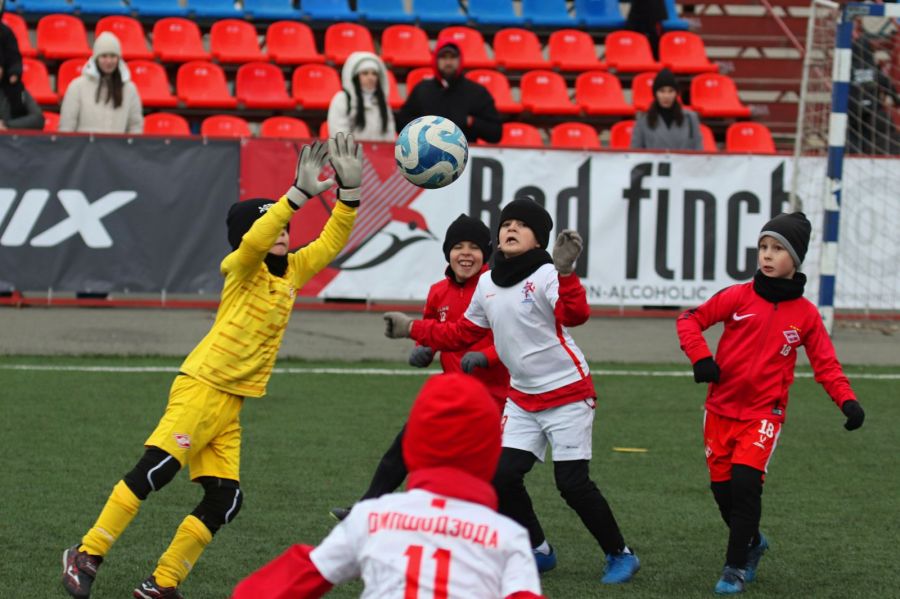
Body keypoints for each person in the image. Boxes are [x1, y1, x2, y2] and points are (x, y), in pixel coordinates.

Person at [61, 134, 363, 599]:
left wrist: (349, 196)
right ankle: (87, 553)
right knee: (156, 469)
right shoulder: (241, 266)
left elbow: (332, 239)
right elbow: (258, 237)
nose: (282, 231)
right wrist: (295, 197)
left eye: (285, 226)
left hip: (231, 401)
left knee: (226, 499)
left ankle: (162, 583)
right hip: (203, 385)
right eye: (272, 226)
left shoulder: (294, 271)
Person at [383, 199, 640, 584]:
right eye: (507, 224)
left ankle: (620, 553)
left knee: (572, 484)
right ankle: (540, 551)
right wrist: (411, 329)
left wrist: (567, 272)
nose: (510, 229)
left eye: (522, 224)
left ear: (539, 241)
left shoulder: (548, 274)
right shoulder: (487, 282)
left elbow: (576, 316)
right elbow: (461, 334)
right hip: (522, 398)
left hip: (567, 392)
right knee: (500, 476)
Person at [676, 212, 866, 595]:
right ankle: (754, 543)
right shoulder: (738, 296)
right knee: (723, 494)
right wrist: (701, 358)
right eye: (763, 246)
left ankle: (734, 568)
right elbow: (689, 320)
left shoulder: (807, 316)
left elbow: (826, 365)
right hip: (719, 412)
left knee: (747, 484)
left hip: (765, 414)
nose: (767, 255)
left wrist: (847, 401)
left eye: (777, 249)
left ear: (794, 259)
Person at [232, 373, 544, 599]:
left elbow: (291, 581)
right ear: (489, 450)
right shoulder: (507, 536)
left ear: (414, 444)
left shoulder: (372, 516)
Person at [329, 214, 510, 522]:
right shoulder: (438, 291)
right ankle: (365, 510)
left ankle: (521, 540)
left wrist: (487, 357)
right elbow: (432, 330)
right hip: (452, 395)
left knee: (494, 478)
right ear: (447, 252)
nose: (466, 253)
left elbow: (511, 339)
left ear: (487, 253)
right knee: (402, 449)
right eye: (458, 247)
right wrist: (423, 351)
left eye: (474, 248)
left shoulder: (496, 288)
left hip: (494, 400)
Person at [396, 38, 502, 144]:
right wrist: (422, 124)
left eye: (453, 57)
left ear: (460, 60)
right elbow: (401, 123)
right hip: (427, 153)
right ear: (435, 60)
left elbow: (496, 133)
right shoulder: (422, 89)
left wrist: (470, 121)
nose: (448, 62)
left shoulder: (477, 92)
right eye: (443, 57)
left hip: (465, 154)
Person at [59, 32, 143, 134]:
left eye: (113, 56)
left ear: (119, 59)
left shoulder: (129, 89)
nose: (109, 61)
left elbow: (135, 127)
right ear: (96, 59)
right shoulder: (77, 87)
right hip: (85, 149)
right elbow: (67, 126)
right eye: (104, 56)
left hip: (117, 149)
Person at [327, 51, 395, 142]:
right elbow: (339, 135)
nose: (370, 77)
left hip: (378, 155)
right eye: (365, 73)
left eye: (374, 74)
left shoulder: (382, 102)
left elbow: (389, 134)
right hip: (352, 155)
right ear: (355, 77)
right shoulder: (342, 99)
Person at [630, 67, 703, 151]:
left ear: (676, 93)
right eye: (662, 91)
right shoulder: (643, 120)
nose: (666, 96)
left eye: (670, 91)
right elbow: (635, 153)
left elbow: (698, 151)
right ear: (655, 93)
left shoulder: (691, 118)